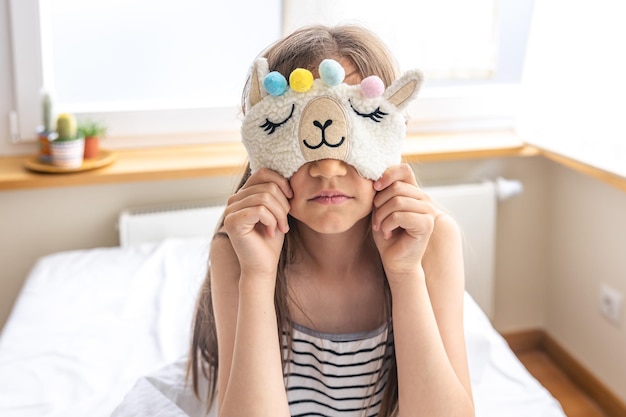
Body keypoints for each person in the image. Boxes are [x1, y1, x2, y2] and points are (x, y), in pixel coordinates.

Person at [188, 24, 475, 417]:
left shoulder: (433, 240)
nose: (327, 167)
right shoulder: (236, 251)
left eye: (355, 129)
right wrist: (257, 276)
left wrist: (406, 274)